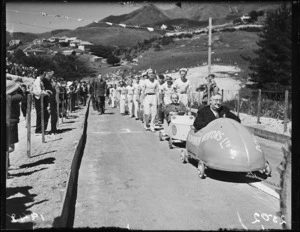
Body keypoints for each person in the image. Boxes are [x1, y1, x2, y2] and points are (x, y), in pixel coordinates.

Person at [6, 80, 24, 168]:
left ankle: (7, 165)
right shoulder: (12, 97)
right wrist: (19, 89)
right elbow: (22, 96)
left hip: (9, 121)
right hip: (11, 122)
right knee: (10, 147)